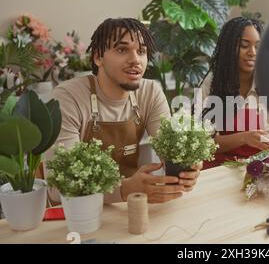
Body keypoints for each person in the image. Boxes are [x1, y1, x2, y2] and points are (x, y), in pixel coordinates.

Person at [44, 18, 201, 204]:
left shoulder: (150, 92)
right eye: (122, 49)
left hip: (130, 206)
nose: (135, 60)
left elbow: (169, 154)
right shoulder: (68, 98)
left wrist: (185, 168)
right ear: (98, 57)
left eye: (141, 51)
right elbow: (59, 188)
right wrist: (124, 190)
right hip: (77, 213)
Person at [199, 17, 269, 169]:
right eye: (244, 45)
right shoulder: (212, 84)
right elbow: (203, 143)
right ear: (229, 48)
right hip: (218, 170)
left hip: (256, 172)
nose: (252, 53)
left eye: (258, 47)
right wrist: (245, 138)